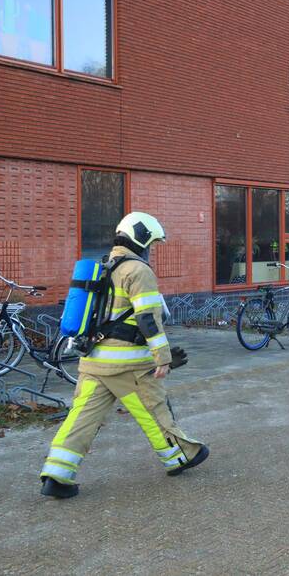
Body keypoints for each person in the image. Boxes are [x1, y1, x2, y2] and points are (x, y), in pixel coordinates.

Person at [39, 212, 209, 500]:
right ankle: (179, 456)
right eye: (151, 243)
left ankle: (56, 473)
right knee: (153, 409)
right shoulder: (138, 271)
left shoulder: (106, 267)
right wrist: (162, 356)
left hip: (93, 360)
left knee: (80, 417)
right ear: (141, 238)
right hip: (127, 363)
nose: (151, 249)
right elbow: (148, 318)